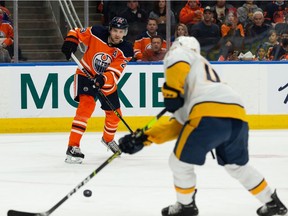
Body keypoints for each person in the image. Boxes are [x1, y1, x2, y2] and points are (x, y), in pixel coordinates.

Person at [118, 36, 288, 216]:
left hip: (207, 114)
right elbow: (179, 125)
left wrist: (172, 92)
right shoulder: (200, 75)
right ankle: (272, 202)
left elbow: (178, 63)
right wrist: (145, 138)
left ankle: (186, 205)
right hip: (236, 114)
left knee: (179, 162)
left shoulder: (180, 54)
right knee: (237, 166)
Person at [61, 16, 133, 164]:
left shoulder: (126, 50)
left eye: (121, 31)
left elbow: (114, 73)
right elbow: (76, 32)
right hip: (85, 73)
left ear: (125, 33)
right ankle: (73, 146)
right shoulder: (96, 32)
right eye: (115, 30)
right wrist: (71, 42)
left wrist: (102, 79)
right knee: (86, 106)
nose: (117, 34)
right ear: (110, 30)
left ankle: (108, 139)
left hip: (105, 82)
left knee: (115, 115)